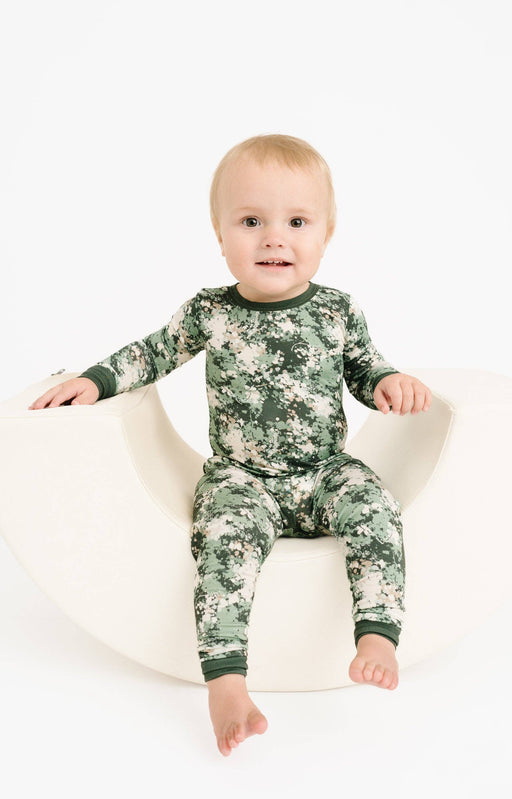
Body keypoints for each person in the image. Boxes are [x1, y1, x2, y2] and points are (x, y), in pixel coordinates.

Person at [29, 133, 432, 757]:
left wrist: (388, 382)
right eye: (251, 222)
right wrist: (96, 379)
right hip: (241, 479)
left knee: (375, 508)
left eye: (296, 222)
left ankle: (377, 633)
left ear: (325, 235)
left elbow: (362, 368)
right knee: (222, 547)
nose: (274, 239)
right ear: (220, 236)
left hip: (324, 470)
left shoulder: (336, 311)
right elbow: (154, 352)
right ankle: (226, 684)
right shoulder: (211, 312)